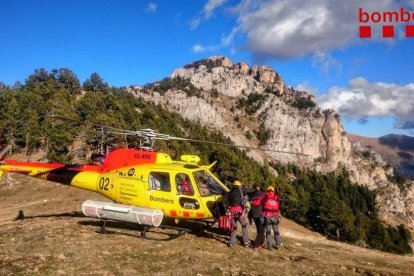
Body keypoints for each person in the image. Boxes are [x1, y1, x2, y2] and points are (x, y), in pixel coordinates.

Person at [226, 180, 254, 247]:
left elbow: (225, 201)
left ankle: (231, 243)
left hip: (231, 212)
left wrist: (227, 210)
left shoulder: (229, 192)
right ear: (239, 186)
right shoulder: (241, 191)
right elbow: (250, 192)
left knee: (234, 227)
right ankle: (246, 242)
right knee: (244, 225)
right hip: (239, 212)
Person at [261, 185, 283, 250]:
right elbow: (278, 204)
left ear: (267, 190)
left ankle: (270, 246)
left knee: (268, 231)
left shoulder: (265, 195)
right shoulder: (276, 197)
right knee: (276, 230)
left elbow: (261, 203)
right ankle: (278, 244)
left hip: (267, 215)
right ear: (273, 191)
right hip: (275, 216)